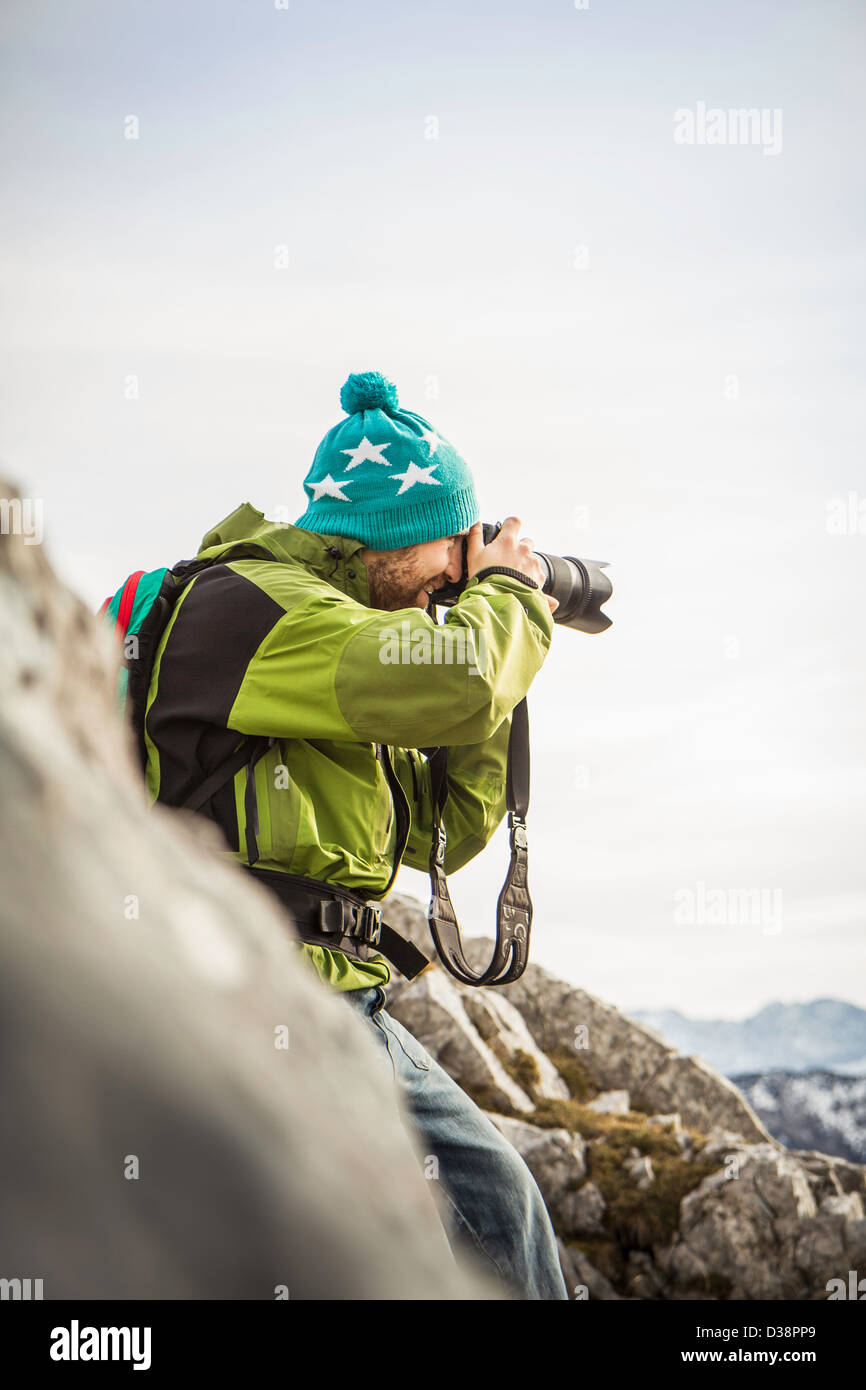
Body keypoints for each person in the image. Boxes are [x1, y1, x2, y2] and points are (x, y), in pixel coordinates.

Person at [144, 370, 569, 1299]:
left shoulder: (348, 637)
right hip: (262, 991)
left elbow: (445, 835)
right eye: (449, 558)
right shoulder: (260, 610)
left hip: (333, 997)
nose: (452, 581)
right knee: (493, 1212)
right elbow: (455, 679)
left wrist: (487, 649)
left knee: (496, 1210)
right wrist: (507, 605)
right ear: (393, 530)